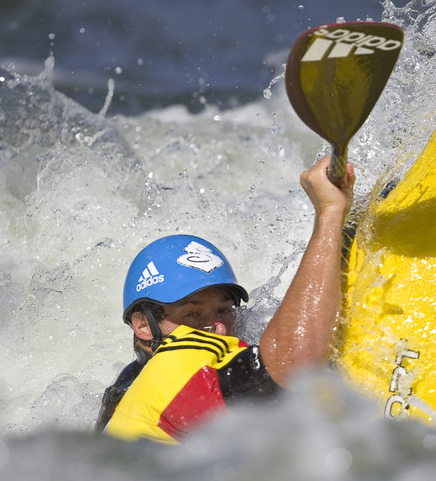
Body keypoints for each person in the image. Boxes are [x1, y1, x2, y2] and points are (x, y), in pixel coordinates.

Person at [96, 154, 353, 442]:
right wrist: (330, 213)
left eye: (225, 311)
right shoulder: (173, 371)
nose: (218, 329)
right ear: (143, 324)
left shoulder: (128, 384)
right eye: (192, 314)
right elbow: (293, 364)